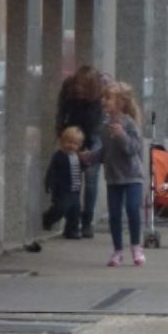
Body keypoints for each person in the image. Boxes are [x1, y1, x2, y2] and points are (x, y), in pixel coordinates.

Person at [83, 80, 147, 267]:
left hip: (132, 176)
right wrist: (90, 157)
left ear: (121, 102)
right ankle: (117, 250)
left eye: (108, 98)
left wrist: (121, 136)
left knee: (133, 209)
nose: (103, 101)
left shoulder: (130, 124)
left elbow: (133, 149)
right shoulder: (104, 127)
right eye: (103, 97)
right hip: (113, 178)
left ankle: (136, 246)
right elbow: (105, 152)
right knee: (114, 215)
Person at [55, 65, 104, 238]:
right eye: (78, 85)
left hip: (93, 136)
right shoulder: (68, 90)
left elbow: (96, 124)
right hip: (73, 134)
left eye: (84, 87)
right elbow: (61, 113)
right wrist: (61, 134)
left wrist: (90, 149)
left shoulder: (99, 95)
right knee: (72, 182)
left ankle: (87, 221)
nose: (79, 89)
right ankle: (72, 223)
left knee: (90, 183)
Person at [42, 126, 85, 238]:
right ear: (62, 142)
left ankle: (71, 231)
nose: (71, 146)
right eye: (68, 142)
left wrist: (87, 163)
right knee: (61, 208)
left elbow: (82, 168)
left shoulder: (77, 157)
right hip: (62, 190)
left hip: (75, 191)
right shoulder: (59, 156)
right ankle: (48, 218)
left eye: (75, 143)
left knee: (75, 212)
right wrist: (49, 183)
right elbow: (51, 171)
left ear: (79, 145)